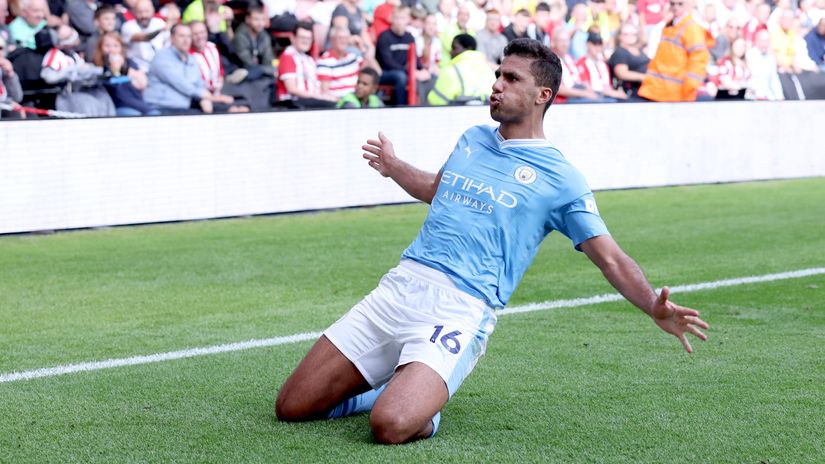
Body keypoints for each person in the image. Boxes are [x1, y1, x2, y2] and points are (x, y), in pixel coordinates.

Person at [274, 37, 709, 445]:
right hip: (401, 287)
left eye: (512, 78)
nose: (497, 85)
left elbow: (610, 258)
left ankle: (419, 401)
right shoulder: (473, 138)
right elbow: (436, 189)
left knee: (390, 425)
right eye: (498, 75)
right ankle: (385, 386)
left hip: (460, 310)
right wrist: (394, 165)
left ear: (542, 95)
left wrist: (652, 304)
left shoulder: (562, 179)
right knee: (291, 407)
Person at [638, 0, 711, 102]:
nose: (676, 7)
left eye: (680, 4)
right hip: (657, 89)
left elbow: (698, 62)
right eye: (672, 3)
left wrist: (689, 91)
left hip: (675, 93)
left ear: (688, 5)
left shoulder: (692, 29)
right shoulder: (670, 25)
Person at [144, 23, 227, 113]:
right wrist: (207, 96)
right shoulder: (162, 56)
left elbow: (199, 83)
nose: (186, 40)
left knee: (231, 109)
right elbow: (180, 83)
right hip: (161, 108)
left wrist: (204, 99)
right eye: (182, 36)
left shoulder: (191, 59)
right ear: (171, 38)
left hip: (185, 108)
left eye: (189, 36)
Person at [93, 30, 159, 115]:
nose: (111, 49)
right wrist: (114, 68)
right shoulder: (98, 67)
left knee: (155, 114)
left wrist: (124, 69)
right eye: (107, 46)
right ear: (100, 48)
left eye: (115, 46)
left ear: (121, 48)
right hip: (118, 107)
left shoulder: (128, 63)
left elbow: (142, 84)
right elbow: (112, 85)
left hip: (139, 105)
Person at [376, 5, 430, 105]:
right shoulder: (384, 37)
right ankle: (401, 107)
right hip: (386, 72)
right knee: (401, 77)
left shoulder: (409, 37)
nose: (399, 22)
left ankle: (425, 106)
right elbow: (387, 62)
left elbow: (415, 59)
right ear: (392, 19)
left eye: (403, 18)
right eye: (397, 18)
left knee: (429, 76)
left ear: (408, 20)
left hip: (406, 71)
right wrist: (410, 72)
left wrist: (422, 70)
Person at [276, 21, 337, 107]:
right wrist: (319, 97)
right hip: (293, 103)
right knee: (332, 105)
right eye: (302, 37)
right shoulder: (288, 56)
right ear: (293, 38)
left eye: (309, 38)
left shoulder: (309, 59)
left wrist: (325, 96)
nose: (306, 41)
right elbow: (292, 89)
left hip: (310, 101)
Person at [427, 33, 495, 105]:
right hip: (486, 111)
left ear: (468, 48)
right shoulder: (488, 70)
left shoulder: (451, 71)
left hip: (459, 111)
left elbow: (436, 101)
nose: (451, 52)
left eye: (454, 48)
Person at [121, 0, 173, 72]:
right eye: (140, 12)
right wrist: (160, 30)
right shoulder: (128, 26)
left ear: (153, 10)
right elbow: (144, 37)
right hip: (138, 69)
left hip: (159, 67)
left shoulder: (160, 23)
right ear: (134, 12)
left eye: (146, 11)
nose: (144, 15)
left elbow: (168, 46)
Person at [575, 32, 626, 100]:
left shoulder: (603, 64)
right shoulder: (581, 63)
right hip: (591, 99)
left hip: (606, 97)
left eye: (600, 44)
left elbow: (608, 85)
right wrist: (612, 93)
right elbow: (586, 87)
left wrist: (616, 92)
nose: (597, 48)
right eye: (594, 44)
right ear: (588, 45)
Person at [608, 22, 649, 97]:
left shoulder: (640, 50)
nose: (630, 36)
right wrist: (645, 77)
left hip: (645, 90)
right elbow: (622, 74)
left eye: (633, 34)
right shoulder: (620, 52)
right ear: (619, 36)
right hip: (631, 93)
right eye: (626, 34)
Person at [745, 28, 784, 100]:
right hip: (752, 97)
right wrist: (758, 95)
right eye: (762, 41)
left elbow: (774, 79)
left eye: (767, 41)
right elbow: (749, 79)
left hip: (768, 97)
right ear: (756, 41)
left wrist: (780, 96)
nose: (765, 44)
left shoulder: (771, 57)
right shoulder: (750, 55)